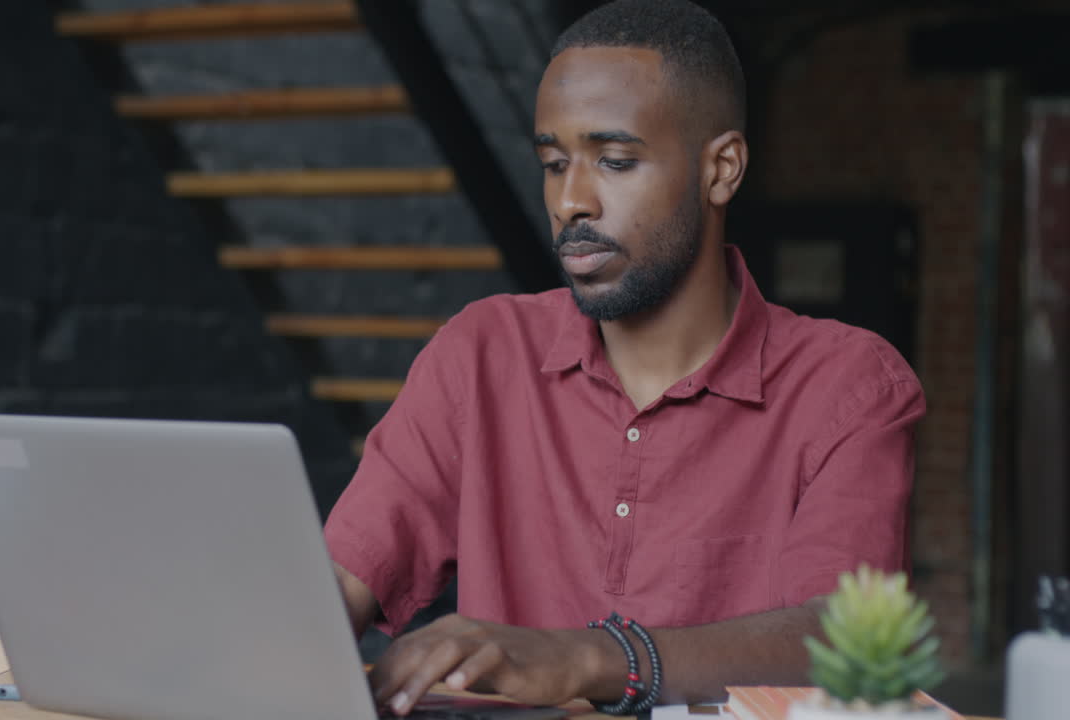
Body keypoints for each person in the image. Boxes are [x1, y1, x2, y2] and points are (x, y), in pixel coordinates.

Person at [323, 0, 926, 714]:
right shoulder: (482, 354)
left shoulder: (851, 386)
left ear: (721, 169)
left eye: (614, 160)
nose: (570, 200)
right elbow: (339, 583)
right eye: (553, 163)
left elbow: (843, 643)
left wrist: (589, 657)